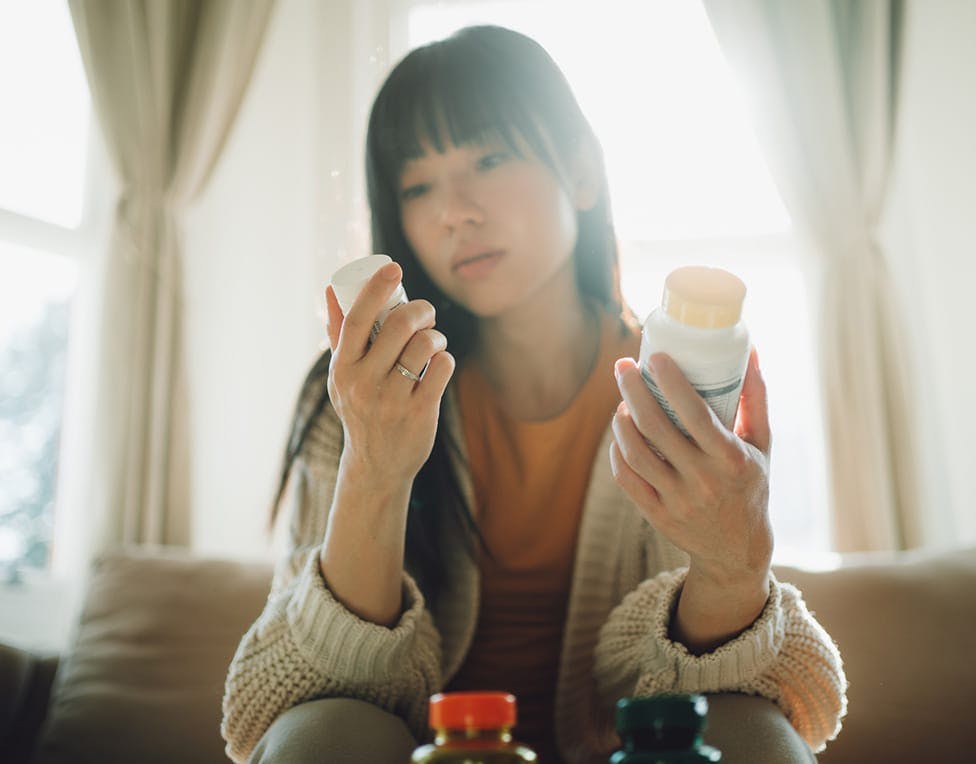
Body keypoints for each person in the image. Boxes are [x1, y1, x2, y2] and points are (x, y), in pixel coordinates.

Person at [221, 25, 846, 764]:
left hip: (628, 747)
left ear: (581, 169)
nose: (454, 211)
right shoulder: (363, 395)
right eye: (417, 185)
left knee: (747, 734)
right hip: (424, 750)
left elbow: (714, 690)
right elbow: (302, 691)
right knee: (324, 734)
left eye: (488, 157)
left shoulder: (677, 387)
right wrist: (374, 469)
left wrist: (734, 567)